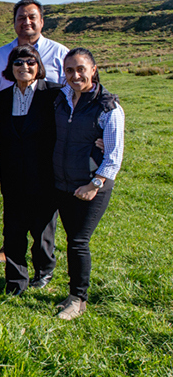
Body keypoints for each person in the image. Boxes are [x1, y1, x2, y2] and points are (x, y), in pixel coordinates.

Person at [0, 0, 69, 264]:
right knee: (14, 208)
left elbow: (77, 94)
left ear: (42, 21)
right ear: (13, 23)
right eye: (21, 18)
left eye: (32, 17)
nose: (27, 22)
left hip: (46, 148)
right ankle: (13, 256)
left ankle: (43, 261)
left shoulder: (60, 53)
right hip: (12, 151)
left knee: (44, 210)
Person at [51, 48, 124, 320]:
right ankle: (74, 294)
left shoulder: (108, 107)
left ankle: (78, 299)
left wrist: (94, 184)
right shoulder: (62, 100)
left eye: (81, 69)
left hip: (91, 186)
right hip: (64, 183)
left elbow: (114, 157)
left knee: (79, 241)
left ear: (93, 69)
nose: (75, 75)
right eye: (69, 70)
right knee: (72, 240)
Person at [0, 45, 61, 295]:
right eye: (18, 63)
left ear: (39, 66)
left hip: (45, 174)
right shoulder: (2, 98)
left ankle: (43, 270)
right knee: (13, 228)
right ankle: (15, 279)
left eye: (30, 62)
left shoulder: (54, 93)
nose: (24, 67)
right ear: (10, 68)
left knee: (42, 228)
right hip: (12, 174)